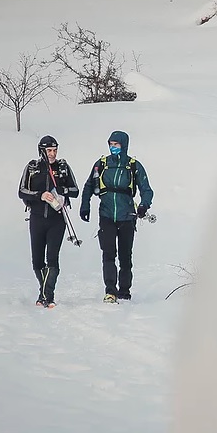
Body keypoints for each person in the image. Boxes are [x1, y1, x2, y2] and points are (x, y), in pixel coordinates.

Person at [79, 130, 154, 303]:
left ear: (124, 145)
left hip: (127, 215)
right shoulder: (102, 164)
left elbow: (146, 189)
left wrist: (144, 205)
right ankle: (110, 291)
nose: (113, 148)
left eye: (116, 145)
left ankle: (125, 290)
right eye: (111, 144)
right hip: (106, 214)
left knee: (125, 255)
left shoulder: (133, 165)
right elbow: (89, 185)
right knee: (108, 253)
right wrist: (85, 205)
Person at [18, 135, 79, 308]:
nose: (52, 154)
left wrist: (61, 189)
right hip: (37, 218)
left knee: (52, 258)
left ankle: (47, 296)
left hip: (57, 219)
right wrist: (40, 195)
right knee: (37, 261)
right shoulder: (32, 167)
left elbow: (75, 190)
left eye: (54, 150)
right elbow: (21, 191)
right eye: (49, 150)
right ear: (41, 150)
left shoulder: (63, 167)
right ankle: (44, 291)